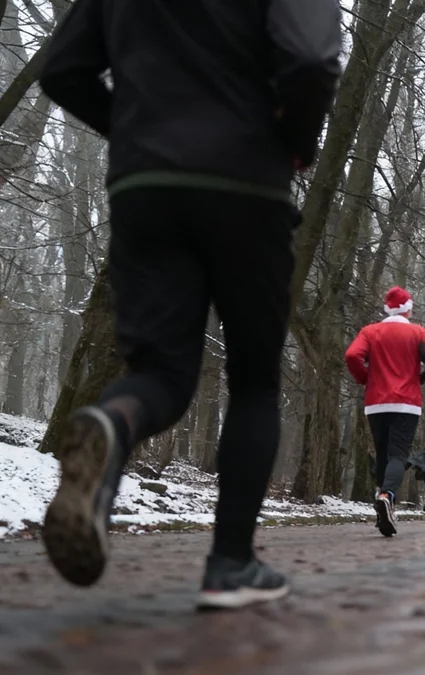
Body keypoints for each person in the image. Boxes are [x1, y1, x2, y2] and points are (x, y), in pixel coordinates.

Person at [36, 0, 342, 609]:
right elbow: (309, 57)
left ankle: (113, 423)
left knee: (159, 373)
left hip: (145, 183)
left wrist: (134, 130)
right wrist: (296, 143)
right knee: (254, 381)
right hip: (247, 181)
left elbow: (62, 70)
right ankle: (230, 564)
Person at [346, 286, 425, 538]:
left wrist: (366, 378)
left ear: (387, 309)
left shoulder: (370, 331)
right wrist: (418, 379)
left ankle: (383, 506)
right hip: (406, 404)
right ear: (408, 309)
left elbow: (352, 355)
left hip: (376, 402)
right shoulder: (417, 332)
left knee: (382, 455)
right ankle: (387, 496)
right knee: (398, 456)